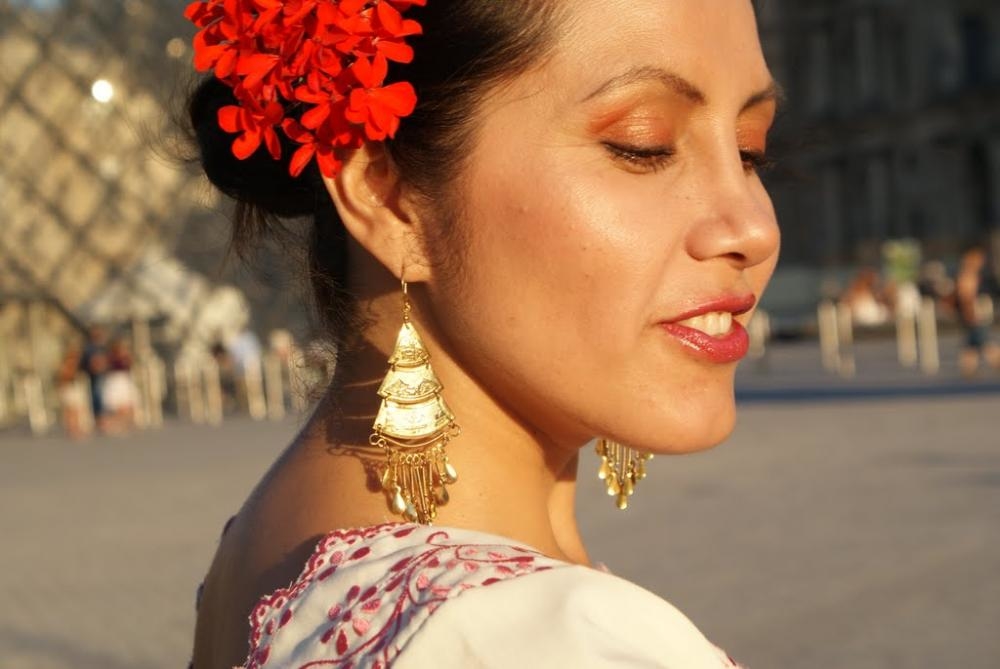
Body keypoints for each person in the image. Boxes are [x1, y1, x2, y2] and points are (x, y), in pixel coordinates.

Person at [186, 1, 780, 667]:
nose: (755, 228)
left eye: (750, 151)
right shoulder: (541, 640)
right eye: (644, 146)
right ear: (387, 196)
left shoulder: (265, 547)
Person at [955, 245, 1000, 376]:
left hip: (976, 312)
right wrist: (970, 313)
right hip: (974, 313)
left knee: (973, 341)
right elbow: (966, 297)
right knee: (982, 339)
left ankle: (968, 368)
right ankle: (996, 361)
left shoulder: (975, 274)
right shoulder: (968, 275)